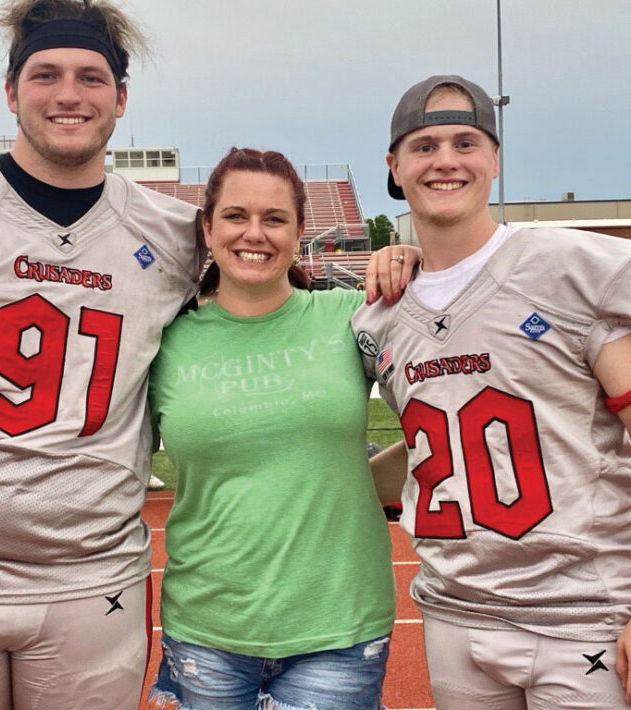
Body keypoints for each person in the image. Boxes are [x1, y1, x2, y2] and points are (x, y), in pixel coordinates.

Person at [0, 1, 207, 707]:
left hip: (91, 580)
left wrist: (397, 261)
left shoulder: (176, 235)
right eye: (46, 75)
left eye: (92, 78)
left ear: (121, 99)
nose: (69, 94)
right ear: (10, 90)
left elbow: (279, 299)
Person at [353, 74, 631, 709]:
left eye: (465, 142)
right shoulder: (377, 317)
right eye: (424, 146)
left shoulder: (571, 266)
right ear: (394, 167)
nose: (446, 160)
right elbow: (439, 445)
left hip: (583, 614)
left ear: (495, 160)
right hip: (455, 613)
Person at [148, 147, 407, 710]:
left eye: (274, 219)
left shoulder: (350, 315)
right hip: (207, 626)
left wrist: (416, 258)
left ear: (299, 231)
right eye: (237, 216)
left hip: (338, 626)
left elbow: (456, 393)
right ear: (207, 227)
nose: (255, 234)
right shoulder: (164, 340)